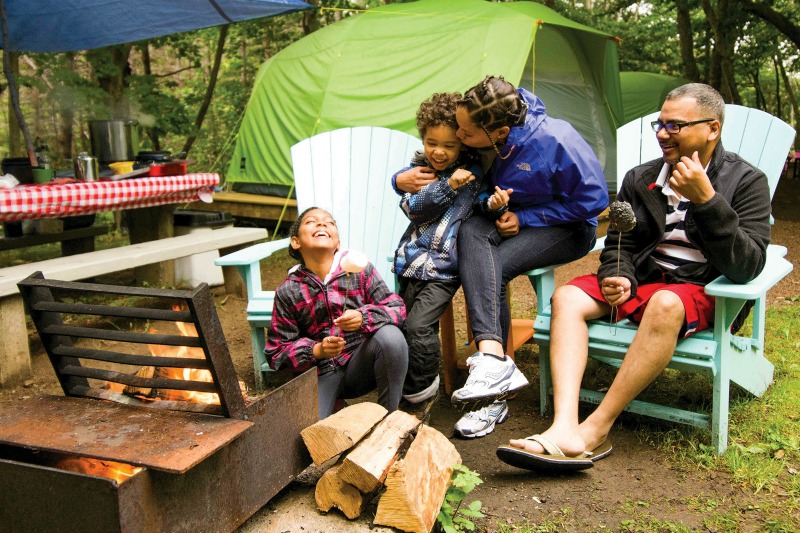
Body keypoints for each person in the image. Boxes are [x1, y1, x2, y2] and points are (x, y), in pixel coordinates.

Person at [496, 83, 771, 471]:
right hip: (646, 280)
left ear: (712, 128)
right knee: (567, 298)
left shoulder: (747, 181)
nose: (662, 133)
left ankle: (595, 429)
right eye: (659, 124)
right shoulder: (641, 178)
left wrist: (707, 201)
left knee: (663, 303)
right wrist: (619, 274)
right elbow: (619, 244)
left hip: (703, 288)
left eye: (675, 126)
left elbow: (747, 266)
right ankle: (563, 425)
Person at [397, 75, 609, 435]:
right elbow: (434, 164)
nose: (459, 137)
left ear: (498, 133)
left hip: (568, 227)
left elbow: (594, 202)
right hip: (500, 215)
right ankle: (494, 362)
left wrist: (525, 218)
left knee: (489, 267)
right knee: (471, 233)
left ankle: (491, 388)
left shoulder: (557, 140)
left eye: (465, 133)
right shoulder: (484, 116)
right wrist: (398, 180)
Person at [393, 92, 507, 429]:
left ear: (462, 145)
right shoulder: (419, 173)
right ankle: (410, 384)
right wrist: (445, 187)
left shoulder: (472, 176)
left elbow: (480, 207)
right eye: (431, 142)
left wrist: (495, 205)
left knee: (418, 326)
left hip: (443, 270)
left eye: (448, 146)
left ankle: (422, 393)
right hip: (410, 263)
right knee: (403, 326)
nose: (438, 152)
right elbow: (414, 208)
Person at [265, 207, 409, 419]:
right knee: (309, 437)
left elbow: (397, 308)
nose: (322, 224)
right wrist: (316, 350)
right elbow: (276, 353)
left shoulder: (361, 272)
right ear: (296, 242)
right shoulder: (288, 291)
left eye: (329, 222)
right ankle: (335, 408)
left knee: (391, 337)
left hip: (361, 365)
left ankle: (389, 420)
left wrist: (364, 317)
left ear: (338, 244)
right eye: (312, 222)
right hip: (321, 374)